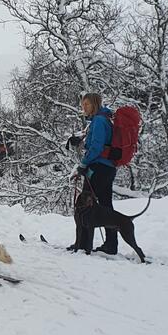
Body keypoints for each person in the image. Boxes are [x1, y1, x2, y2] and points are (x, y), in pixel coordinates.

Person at [70, 92, 118, 254]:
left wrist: (83, 164)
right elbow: (98, 143)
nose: (84, 108)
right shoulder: (105, 120)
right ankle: (111, 244)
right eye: (83, 105)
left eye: (87, 104)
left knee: (85, 203)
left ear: (95, 104)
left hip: (97, 168)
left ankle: (82, 243)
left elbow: (96, 147)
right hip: (108, 167)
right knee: (105, 205)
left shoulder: (98, 121)